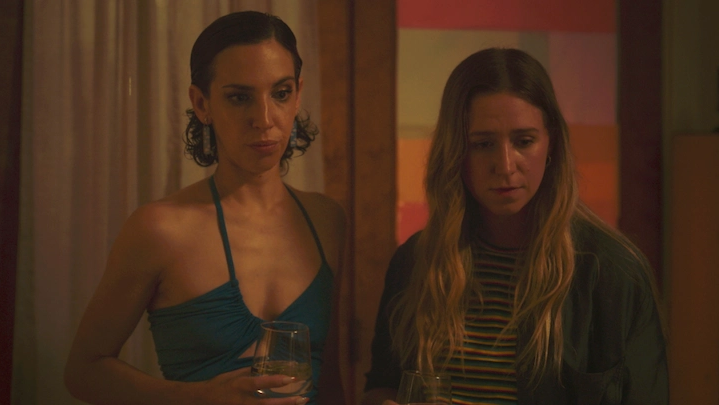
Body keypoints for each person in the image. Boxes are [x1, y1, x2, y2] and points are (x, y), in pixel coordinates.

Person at [64, 11, 346, 405]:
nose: (264, 119)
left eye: (280, 93)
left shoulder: (327, 220)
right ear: (202, 103)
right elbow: (83, 371)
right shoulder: (160, 229)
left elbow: (330, 378)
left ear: (298, 94)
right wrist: (198, 397)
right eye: (239, 97)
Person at [362, 48, 667, 405]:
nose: (505, 166)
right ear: (455, 150)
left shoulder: (612, 272)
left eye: (524, 141)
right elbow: (382, 385)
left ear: (551, 143)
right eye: (483, 144)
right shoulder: (415, 263)